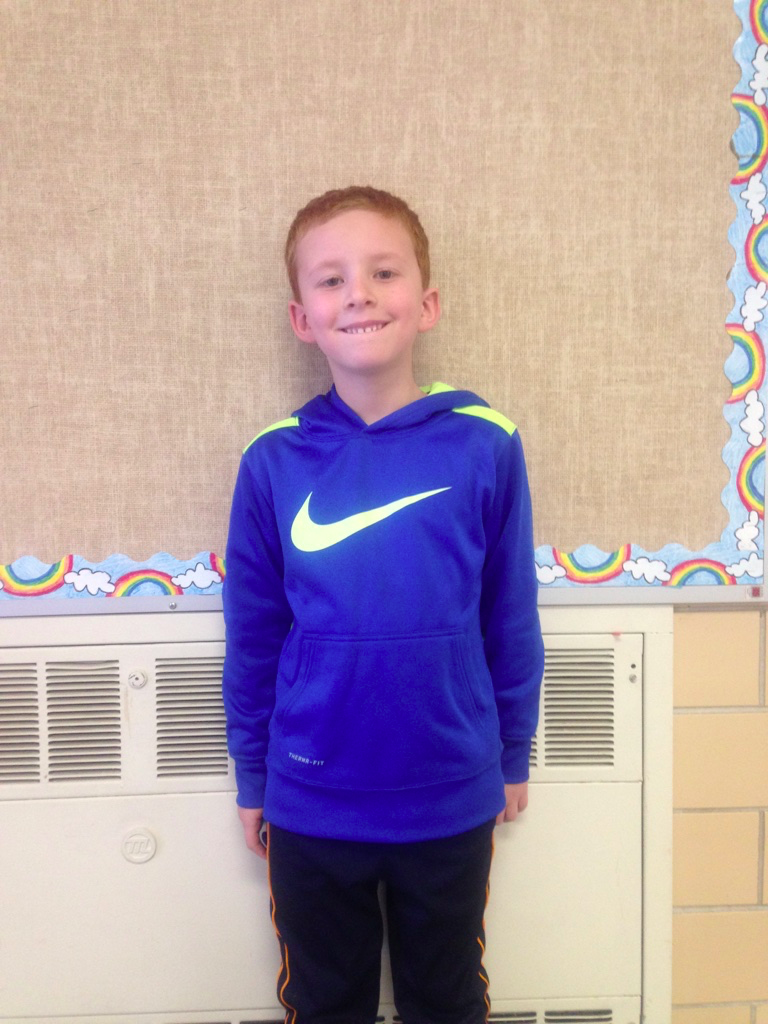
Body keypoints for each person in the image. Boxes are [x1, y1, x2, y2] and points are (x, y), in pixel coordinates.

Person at [222, 185, 544, 1024]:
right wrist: (254, 774)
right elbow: (253, 638)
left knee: (446, 999)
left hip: (450, 792)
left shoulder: (487, 442)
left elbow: (510, 616)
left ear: (426, 303)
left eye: (383, 272)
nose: (358, 294)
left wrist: (512, 753)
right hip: (311, 797)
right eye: (331, 280)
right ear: (303, 318)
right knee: (327, 1003)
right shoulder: (272, 461)